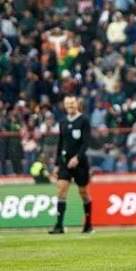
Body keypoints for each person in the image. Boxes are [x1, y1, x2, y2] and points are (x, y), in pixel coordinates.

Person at [50, 95, 93, 235]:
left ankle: (88, 225)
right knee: (60, 190)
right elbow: (60, 142)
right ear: (65, 105)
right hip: (64, 162)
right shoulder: (62, 121)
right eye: (67, 104)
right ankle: (59, 225)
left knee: (83, 192)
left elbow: (86, 143)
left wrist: (77, 158)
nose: (70, 106)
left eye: (72, 103)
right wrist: (57, 163)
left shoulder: (84, 120)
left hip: (80, 163)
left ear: (77, 104)